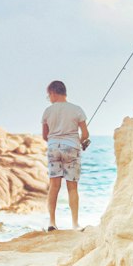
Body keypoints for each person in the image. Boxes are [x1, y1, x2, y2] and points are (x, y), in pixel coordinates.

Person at [41, 80, 89, 230]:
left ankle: (52, 223)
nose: (49, 98)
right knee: (72, 187)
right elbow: (85, 134)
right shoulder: (77, 110)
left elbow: (45, 136)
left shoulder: (48, 111)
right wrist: (80, 142)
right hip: (71, 148)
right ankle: (75, 224)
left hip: (54, 148)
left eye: (48, 95)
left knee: (54, 186)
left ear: (54, 93)